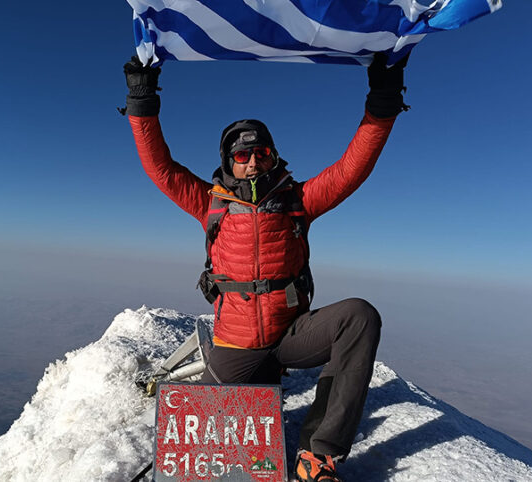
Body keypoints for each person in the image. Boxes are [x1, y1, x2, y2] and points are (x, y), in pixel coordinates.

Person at [122, 53, 408, 482]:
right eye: (242, 154)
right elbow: (160, 168)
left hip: (291, 336)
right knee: (214, 439)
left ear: (273, 157)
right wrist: (142, 99)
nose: (252, 160)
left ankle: (318, 454)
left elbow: (352, 168)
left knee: (359, 316)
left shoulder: (298, 201)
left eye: (261, 152)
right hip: (236, 344)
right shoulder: (210, 204)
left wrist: (382, 101)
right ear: (228, 161)